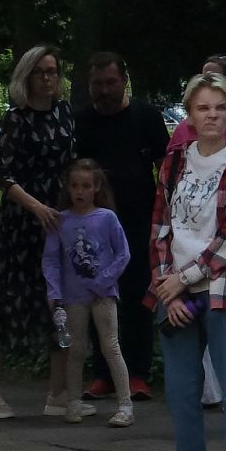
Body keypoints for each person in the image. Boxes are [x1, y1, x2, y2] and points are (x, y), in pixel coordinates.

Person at [142, 72, 226, 451]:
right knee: (181, 389)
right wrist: (167, 289)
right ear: (189, 114)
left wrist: (185, 280)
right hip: (174, 291)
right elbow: (159, 228)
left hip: (221, 290)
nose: (212, 115)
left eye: (220, 108)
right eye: (203, 108)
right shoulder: (173, 163)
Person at [0, 45, 77, 419]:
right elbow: (2, 174)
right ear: (27, 76)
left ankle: (58, 391)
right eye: (40, 72)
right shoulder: (15, 119)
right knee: (9, 297)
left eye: (53, 71)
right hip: (24, 219)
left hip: (61, 217)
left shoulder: (65, 113)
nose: (48, 78)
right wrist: (35, 207)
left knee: (59, 298)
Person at [72, 52, 168, 401]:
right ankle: (103, 374)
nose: (104, 90)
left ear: (124, 80)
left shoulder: (147, 117)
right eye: (97, 84)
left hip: (140, 221)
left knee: (139, 296)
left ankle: (139, 374)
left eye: (111, 82)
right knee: (98, 294)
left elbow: (166, 170)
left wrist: (167, 216)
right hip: (94, 227)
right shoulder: (80, 122)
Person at [42, 159, 134, 428]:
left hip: (103, 295)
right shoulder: (61, 220)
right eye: (74, 186)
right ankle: (72, 402)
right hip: (73, 297)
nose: (79, 192)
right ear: (67, 189)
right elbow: (51, 259)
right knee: (76, 348)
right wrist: (54, 292)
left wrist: (103, 282)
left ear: (96, 188)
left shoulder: (106, 218)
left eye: (85, 186)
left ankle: (125, 404)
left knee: (110, 346)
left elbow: (123, 254)